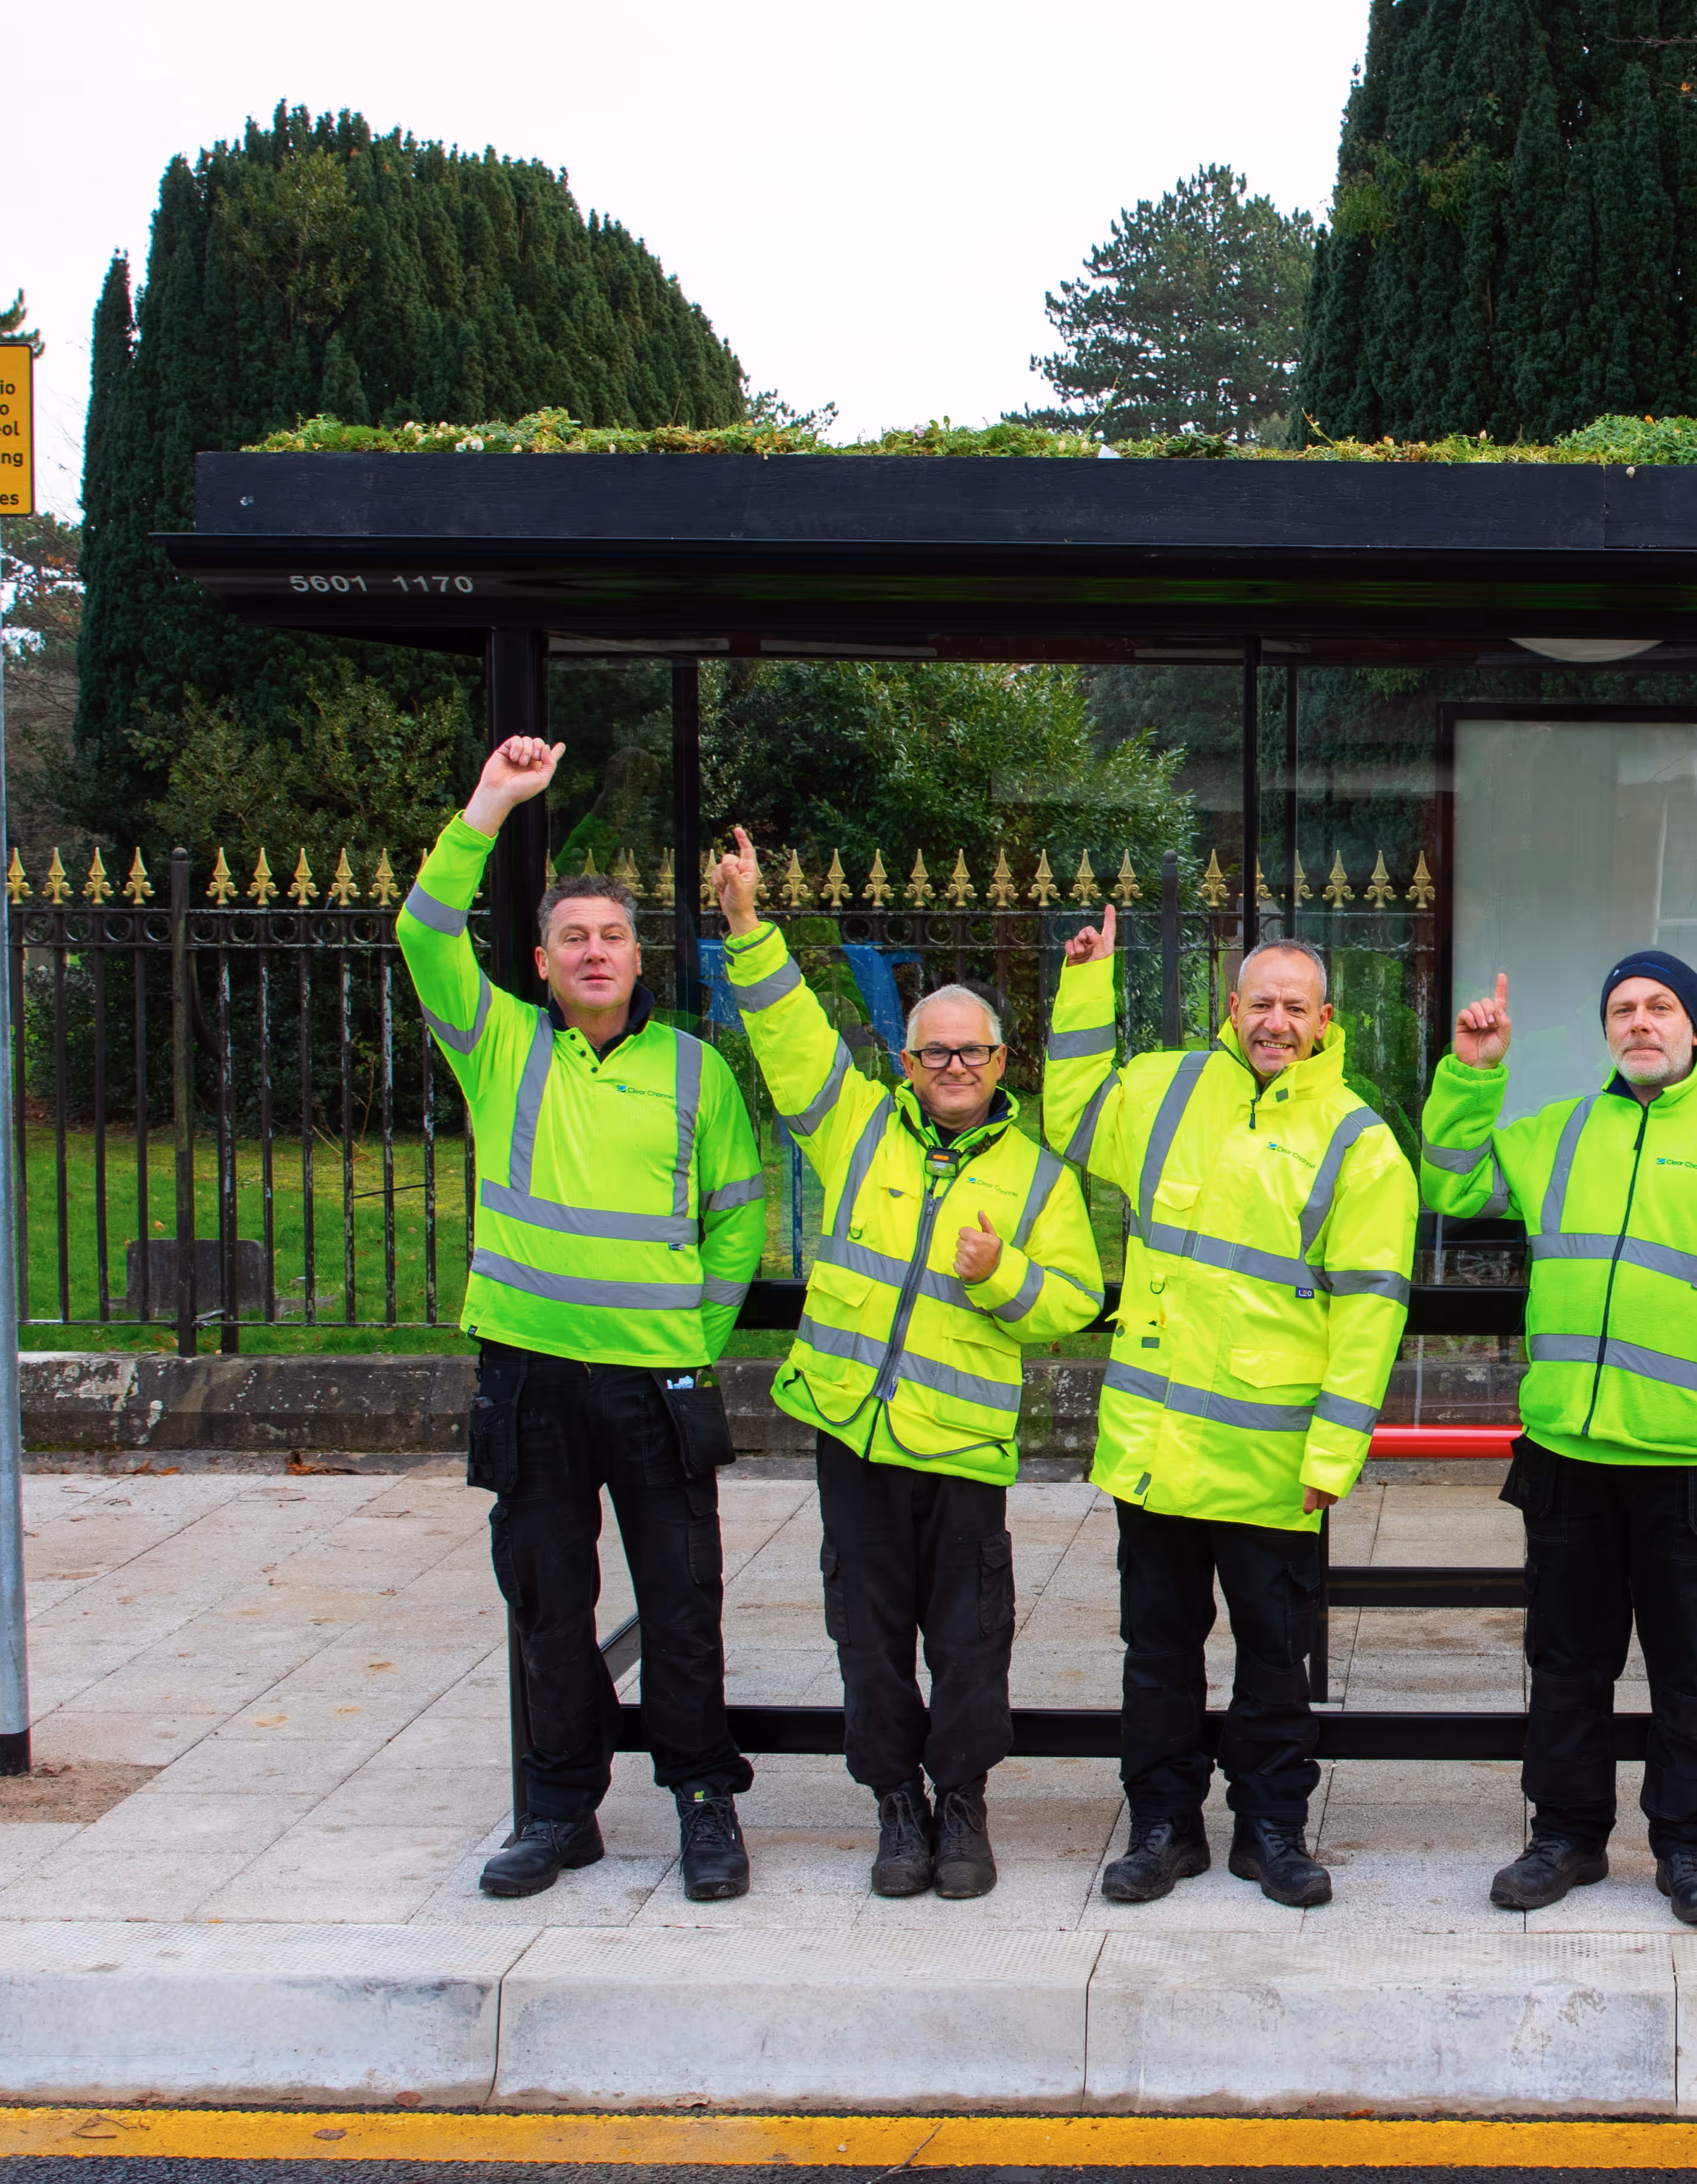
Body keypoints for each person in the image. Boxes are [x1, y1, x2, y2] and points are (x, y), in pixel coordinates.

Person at [399, 736, 768, 1903]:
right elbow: (422, 930)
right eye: (574, 939)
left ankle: (704, 1805)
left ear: (636, 952)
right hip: (531, 1379)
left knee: (684, 1603)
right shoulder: (501, 1043)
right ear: (546, 963)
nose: (595, 953)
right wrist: (494, 804)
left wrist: (692, 1341)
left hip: (654, 1385)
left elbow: (739, 1219)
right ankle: (560, 1811)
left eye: (612, 936)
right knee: (549, 1600)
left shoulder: (695, 1073)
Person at [714, 827, 1105, 1900]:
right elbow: (793, 1039)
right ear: (907, 1059)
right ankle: (897, 1806)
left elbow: (1073, 1298)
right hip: (855, 1434)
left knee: (971, 1642)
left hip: (963, 1450)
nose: (954, 1068)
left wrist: (1000, 1273)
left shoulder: (1037, 1174)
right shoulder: (854, 1131)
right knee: (871, 1638)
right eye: (935, 1052)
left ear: (1001, 1061)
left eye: (972, 1051)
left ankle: (965, 1805)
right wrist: (749, 928)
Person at [1419, 951, 1697, 1925]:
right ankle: (1565, 1838)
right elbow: (1453, 1182)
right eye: (1623, 1009)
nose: (1640, 1023)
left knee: (1693, 1672)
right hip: (1569, 1456)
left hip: (1693, 1465)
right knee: (1567, 1665)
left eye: (1660, 1008)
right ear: (1607, 1029)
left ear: (1694, 1026)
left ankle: (1692, 1851)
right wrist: (1474, 1072)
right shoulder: (1563, 1131)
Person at [1043, 912, 1415, 1909]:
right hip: (1158, 1449)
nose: (1276, 1022)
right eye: (1261, 1003)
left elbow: (1370, 1313)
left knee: (1273, 1662)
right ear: (1232, 1008)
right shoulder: (1167, 1088)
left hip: (1274, 1458)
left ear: (1325, 1019)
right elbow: (1072, 1121)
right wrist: (1086, 988)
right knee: (1157, 1656)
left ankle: (1272, 1831)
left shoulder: (1359, 1143)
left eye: (1296, 1007)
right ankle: (1163, 1828)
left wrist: (1336, 1451)